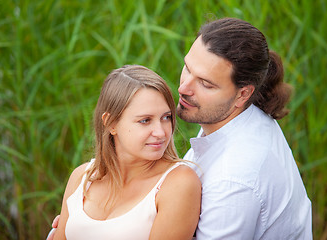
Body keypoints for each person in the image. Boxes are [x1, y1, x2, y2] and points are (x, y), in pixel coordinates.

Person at [49, 17, 312, 239]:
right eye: (187, 68)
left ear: (243, 94)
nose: (184, 88)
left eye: (206, 84)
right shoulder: (229, 118)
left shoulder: (234, 179)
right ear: (110, 123)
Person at [51, 65, 201, 240]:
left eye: (166, 117)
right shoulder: (82, 178)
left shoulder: (178, 183)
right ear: (111, 123)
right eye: (145, 120)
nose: (161, 132)